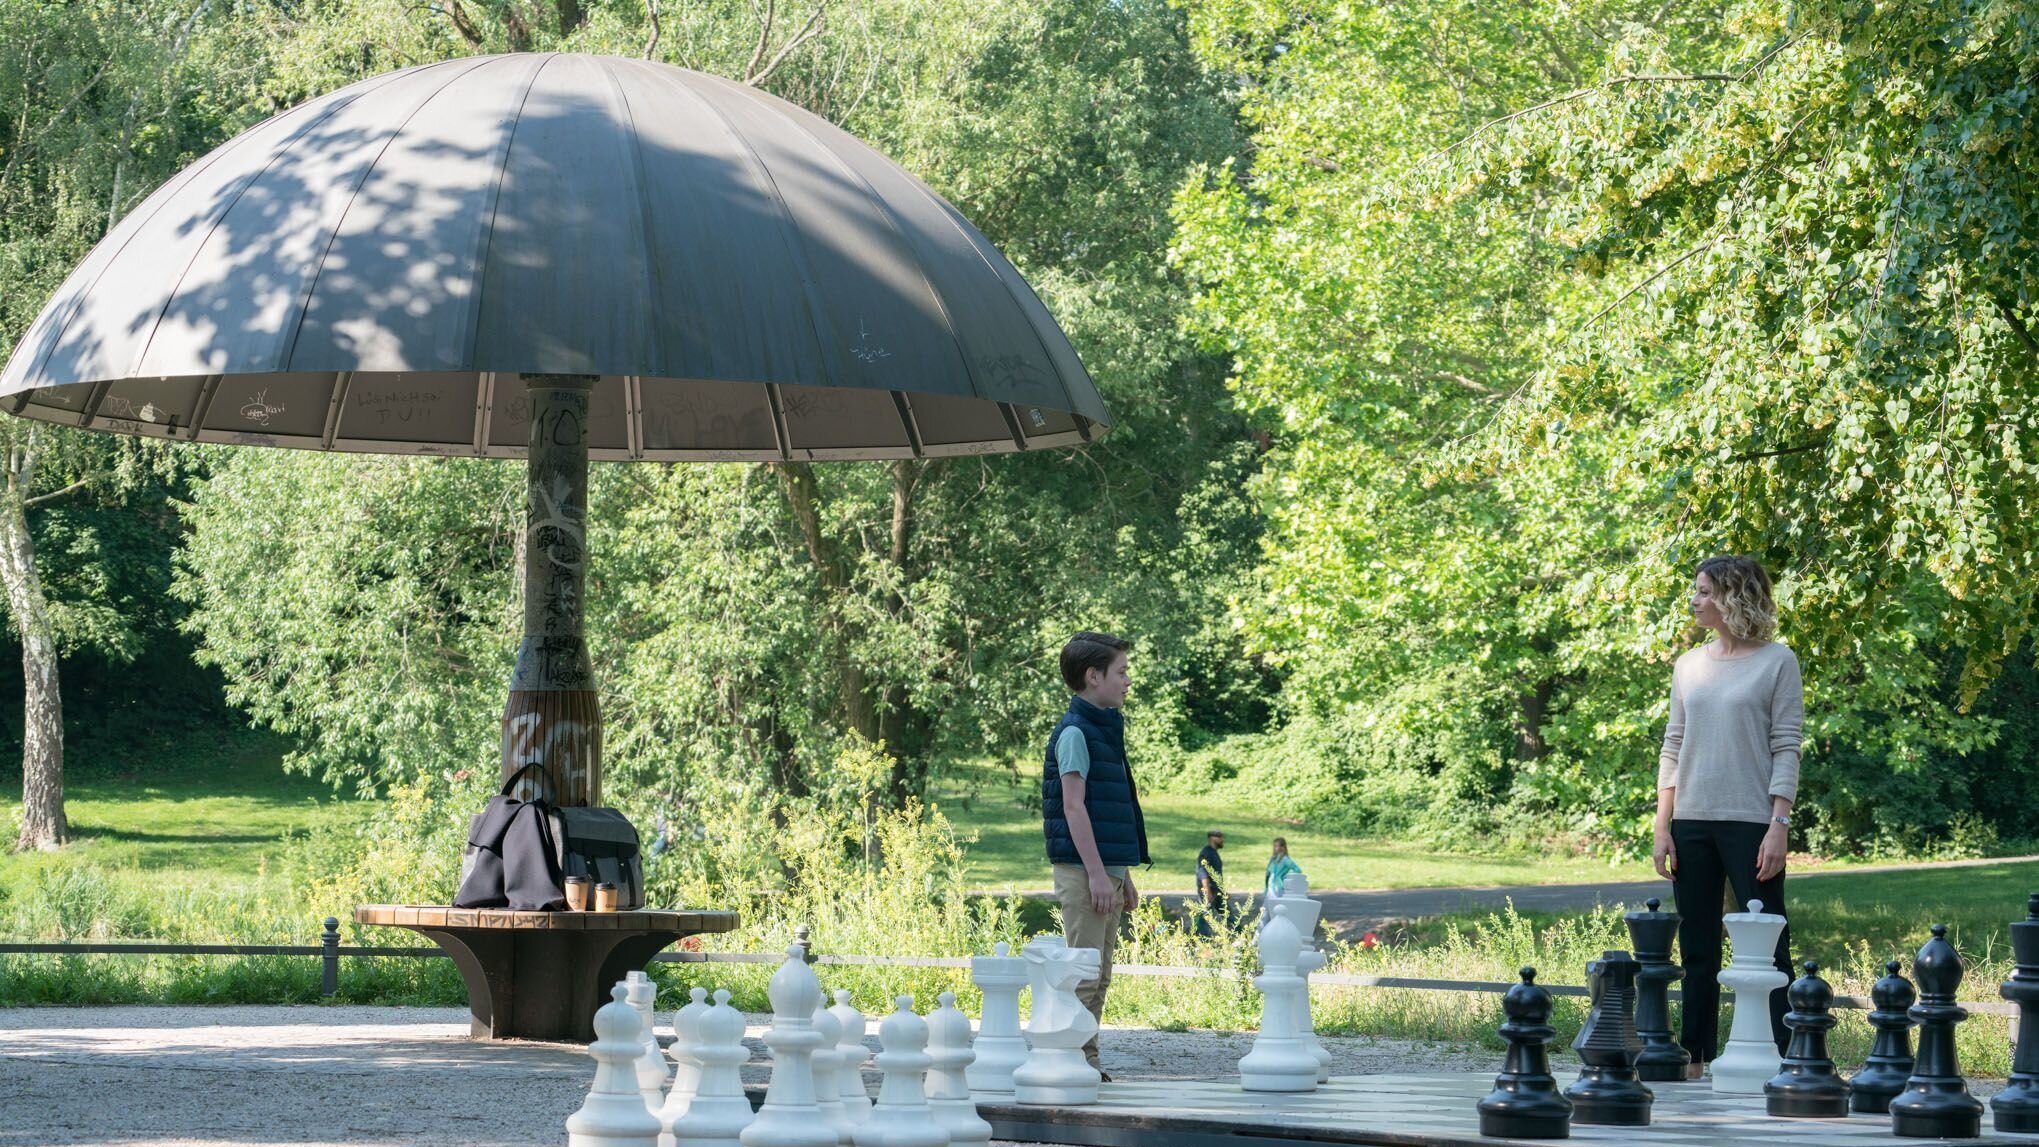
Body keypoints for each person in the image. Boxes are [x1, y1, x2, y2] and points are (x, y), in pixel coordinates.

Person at [1653, 554, 1802, 1080]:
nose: (1694, 600)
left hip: (1752, 824)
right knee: (1697, 948)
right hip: (1691, 821)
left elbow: (1787, 745)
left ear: (1733, 597)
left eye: (1703, 591)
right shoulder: (1688, 665)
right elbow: (1673, 746)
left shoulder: (1778, 661)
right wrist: (1663, 826)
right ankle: (1695, 1058)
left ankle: (1791, 1060)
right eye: (1695, 590)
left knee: (1770, 944)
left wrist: (1779, 825)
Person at [1042, 631, 1149, 1078]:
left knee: (1100, 975)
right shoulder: (1075, 733)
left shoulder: (1103, 729)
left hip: (1106, 872)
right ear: (1093, 676)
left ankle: (1087, 1060)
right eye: (1121, 672)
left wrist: (1122, 874)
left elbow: (1108, 812)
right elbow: (1073, 808)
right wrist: (1097, 875)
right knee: (1083, 975)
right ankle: (1069, 1062)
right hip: (1085, 873)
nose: (1127, 680)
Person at [1194, 830, 1227, 932]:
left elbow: (1217, 874)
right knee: (1205, 916)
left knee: (1228, 914)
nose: (1222, 840)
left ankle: (1240, 934)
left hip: (1217, 891)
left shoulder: (1213, 853)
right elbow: (1203, 874)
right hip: (1209, 890)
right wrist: (1207, 892)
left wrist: (1223, 891)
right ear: (1212, 838)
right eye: (1220, 837)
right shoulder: (1206, 853)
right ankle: (1200, 937)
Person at [1264, 837, 1301, 901]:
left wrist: (1286, 876)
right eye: (1275, 846)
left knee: (1278, 905)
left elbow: (1297, 870)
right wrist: (1266, 888)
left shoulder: (1285, 859)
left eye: (1278, 846)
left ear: (1283, 847)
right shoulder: (1273, 859)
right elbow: (1268, 874)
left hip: (1279, 887)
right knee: (1268, 905)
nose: (1276, 848)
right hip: (1270, 887)